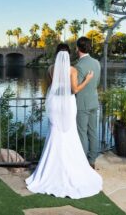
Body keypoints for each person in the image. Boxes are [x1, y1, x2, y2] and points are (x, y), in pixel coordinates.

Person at [25, 43, 102, 199]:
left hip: (55, 104)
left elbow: (53, 86)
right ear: (67, 55)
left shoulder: (50, 69)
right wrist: (87, 80)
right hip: (68, 103)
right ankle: (75, 166)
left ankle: (50, 170)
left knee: (54, 133)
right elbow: (74, 90)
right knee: (70, 133)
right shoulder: (72, 70)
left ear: (57, 54)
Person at [74, 37, 101, 169]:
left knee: (82, 132)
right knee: (93, 131)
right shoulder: (97, 63)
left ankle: (83, 161)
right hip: (94, 102)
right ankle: (92, 160)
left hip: (82, 104)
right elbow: (97, 83)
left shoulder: (79, 66)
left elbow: (76, 87)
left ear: (77, 48)